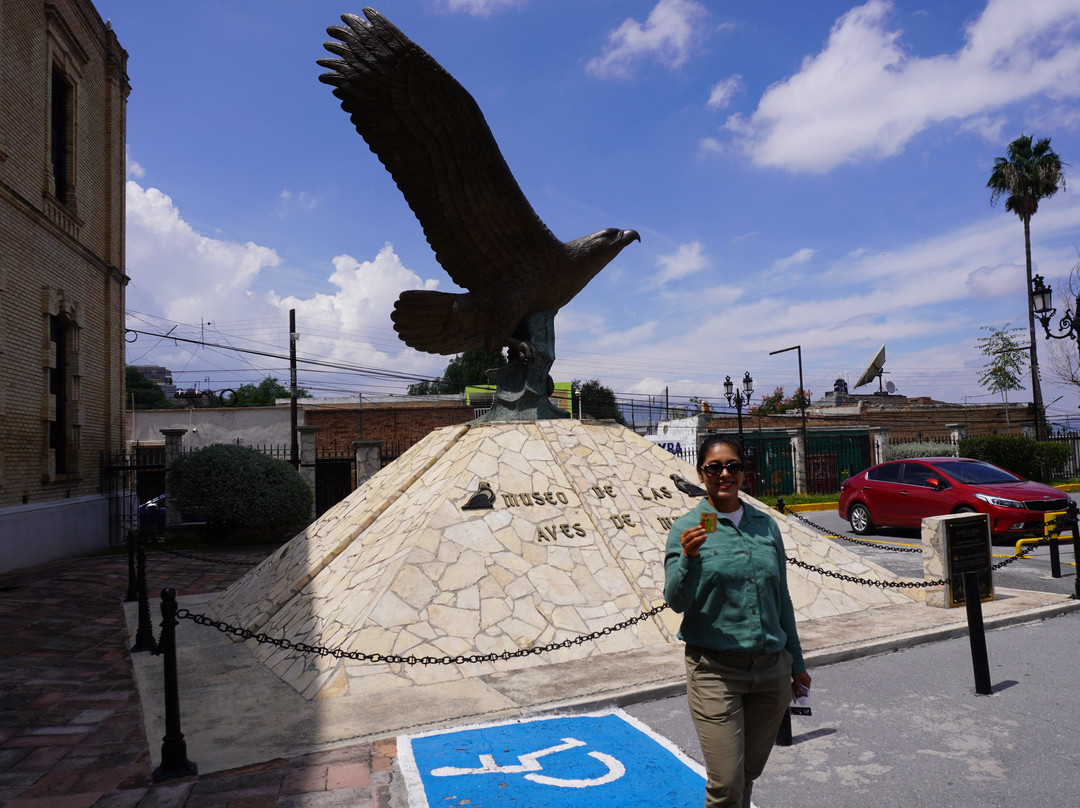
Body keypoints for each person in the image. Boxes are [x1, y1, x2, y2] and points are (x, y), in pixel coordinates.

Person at [665, 434, 811, 808]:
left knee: (747, 774)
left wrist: (796, 662)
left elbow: (781, 599)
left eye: (732, 466)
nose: (724, 473)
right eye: (715, 467)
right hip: (715, 671)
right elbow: (675, 602)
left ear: (744, 473)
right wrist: (689, 559)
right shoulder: (688, 528)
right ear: (702, 473)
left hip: (771, 671)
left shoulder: (765, 526)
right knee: (726, 783)